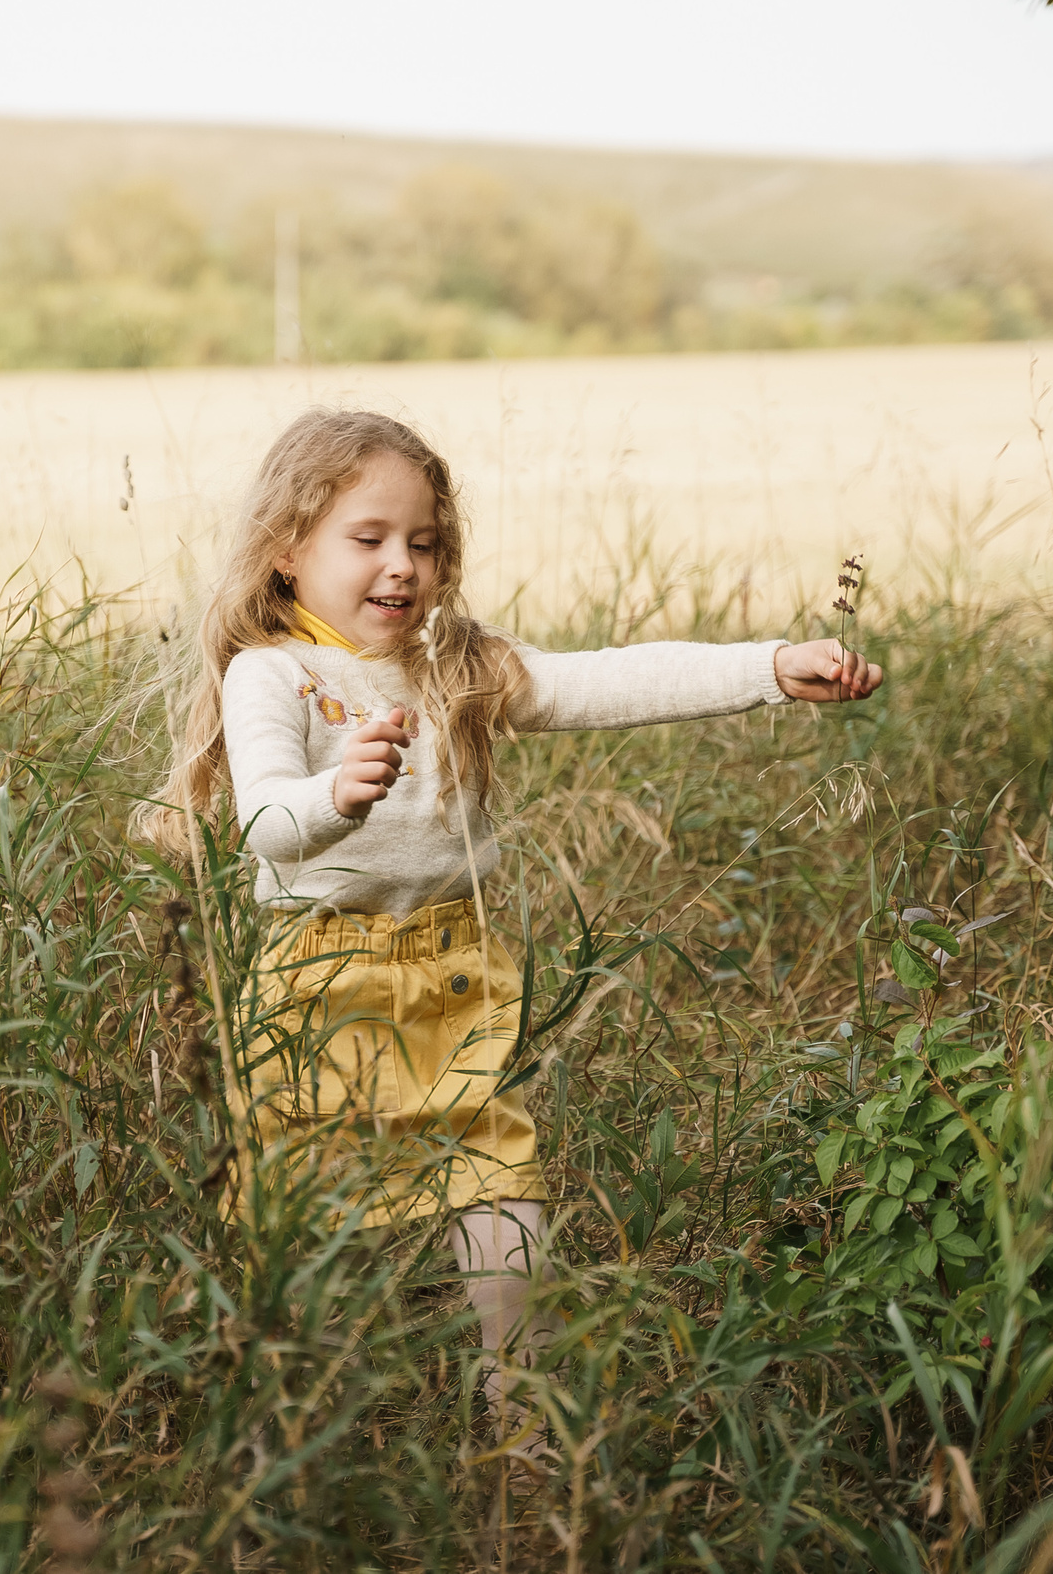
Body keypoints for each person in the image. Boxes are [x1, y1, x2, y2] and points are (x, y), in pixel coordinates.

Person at [145, 406, 881, 1456]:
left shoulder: (458, 667)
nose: (403, 565)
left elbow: (613, 678)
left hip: (455, 975)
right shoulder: (274, 672)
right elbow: (264, 819)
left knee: (501, 1194)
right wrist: (336, 795)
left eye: (426, 543)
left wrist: (769, 667)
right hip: (319, 985)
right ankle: (282, 1434)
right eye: (369, 539)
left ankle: (520, 1429)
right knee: (294, 1220)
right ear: (286, 554)